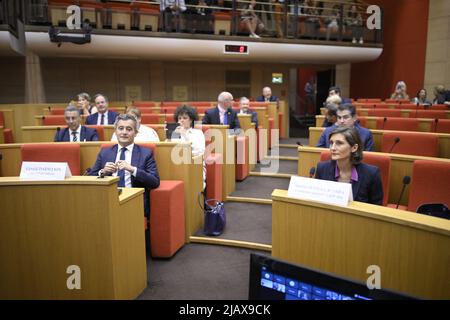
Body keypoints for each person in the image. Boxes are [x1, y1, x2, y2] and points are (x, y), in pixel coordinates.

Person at [89, 114, 160, 218]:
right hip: (107, 202)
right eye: (121, 128)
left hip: (133, 202)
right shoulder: (105, 153)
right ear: (115, 131)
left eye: (129, 129)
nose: (124, 132)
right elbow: (91, 177)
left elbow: (154, 182)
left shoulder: (145, 153)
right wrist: (102, 172)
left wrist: (133, 170)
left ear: (135, 133)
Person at [315, 126, 383, 205]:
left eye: (339, 143)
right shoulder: (322, 168)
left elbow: (376, 208)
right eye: (331, 143)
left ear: (354, 148)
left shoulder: (371, 174)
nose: (332, 148)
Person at [172, 105, 206, 189]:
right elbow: (170, 150)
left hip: (195, 164)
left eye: (185, 118)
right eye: (179, 118)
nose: (181, 120)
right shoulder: (174, 133)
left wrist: (185, 135)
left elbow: (199, 152)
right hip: (177, 165)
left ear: (191, 120)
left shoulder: (198, 133)